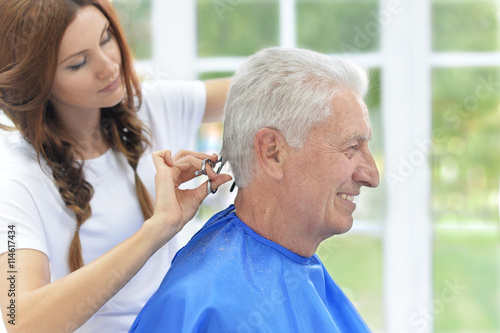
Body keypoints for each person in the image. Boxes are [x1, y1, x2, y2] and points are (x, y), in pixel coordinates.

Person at [0, 0, 231, 332]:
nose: (109, 67)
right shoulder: (14, 179)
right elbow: (21, 320)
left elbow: (259, 91)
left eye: (106, 38)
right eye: (78, 63)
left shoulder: (147, 107)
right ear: (37, 82)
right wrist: (157, 229)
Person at [130, 47, 381, 333]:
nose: (371, 176)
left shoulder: (297, 266)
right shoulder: (203, 304)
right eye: (351, 147)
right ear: (272, 152)